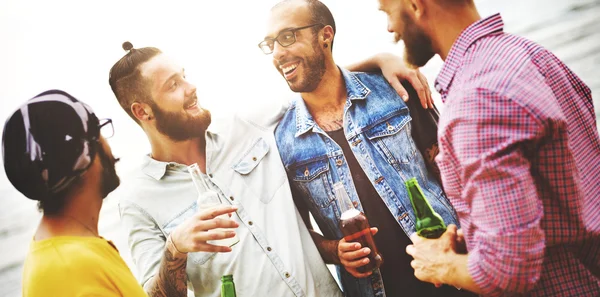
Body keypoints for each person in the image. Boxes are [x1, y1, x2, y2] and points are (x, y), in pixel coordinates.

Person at [108, 41, 426, 297]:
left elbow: (318, 86)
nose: (191, 87)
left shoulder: (246, 126)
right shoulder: (137, 201)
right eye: (173, 84)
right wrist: (175, 249)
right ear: (142, 111)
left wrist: (380, 59)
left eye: (184, 75)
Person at [376, 0, 600, 296]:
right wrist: (474, 240)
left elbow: (508, 269)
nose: (390, 29)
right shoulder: (527, 52)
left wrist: (441, 264)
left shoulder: (475, 100)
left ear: (416, 6)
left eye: (388, 13)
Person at [262, 1, 470, 296]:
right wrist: (334, 251)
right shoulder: (282, 143)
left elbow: (455, 174)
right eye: (270, 43)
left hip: (456, 274)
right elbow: (295, 230)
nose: (277, 53)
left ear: (325, 35)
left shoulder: (396, 90)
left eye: (287, 37)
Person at [1, 90, 147, 297]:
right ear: (84, 155)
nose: (108, 143)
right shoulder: (74, 271)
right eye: (98, 130)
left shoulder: (57, 250)